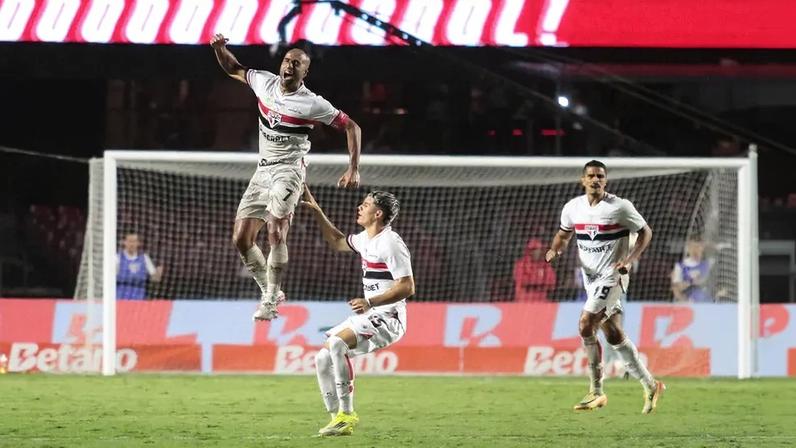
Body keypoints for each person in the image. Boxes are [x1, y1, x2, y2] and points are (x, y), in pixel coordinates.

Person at [211, 34, 361, 321]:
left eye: (297, 63)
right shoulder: (264, 82)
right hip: (262, 170)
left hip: (289, 171)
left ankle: (269, 301)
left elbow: (352, 126)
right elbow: (234, 68)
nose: (289, 66)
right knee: (241, 239)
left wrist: (353, 167)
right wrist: (220, 49)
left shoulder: (313, 104)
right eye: (287, 60)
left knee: (276, 230)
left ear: (306, 71)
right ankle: (271, 289)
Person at [544, 160, 664, 414]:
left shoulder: (620, 207)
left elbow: (646, 232)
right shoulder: (573, 208)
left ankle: (596, 391)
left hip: (613, 276)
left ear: (605, 181)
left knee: (586, 323)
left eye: (600, 176)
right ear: (583, 180)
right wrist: (555, 249)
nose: (595, 179)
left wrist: (629, 261)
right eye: (591, 175)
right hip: (590, 279)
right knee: (613, 334)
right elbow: (563, 235)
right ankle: (651, 384)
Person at [301, 185, 414, 436]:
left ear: (378, 214)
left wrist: (371, 301)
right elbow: (338, 242)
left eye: (365, 204)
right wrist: (317, 210)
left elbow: (407, 287)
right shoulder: (365, 239)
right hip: (372, 315)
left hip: (389, 318)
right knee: (322, 357)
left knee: (338, 347)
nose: (359, 207)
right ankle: (336, 419)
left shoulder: (391, 243)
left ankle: (347, 415)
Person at [116, 233, 163, 300]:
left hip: (139, 296)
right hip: (121, 296)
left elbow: (155, 279)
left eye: (134, 241)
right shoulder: (117, 258)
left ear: (138, 243)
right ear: (124, 242)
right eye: (129, 241)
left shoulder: (144, 258)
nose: (131, 244)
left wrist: (158, 272)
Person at [513, 238, 556, 302]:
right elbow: (521, 280)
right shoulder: (521, 264)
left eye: (538, 249)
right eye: (534, 250)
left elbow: (552, 282)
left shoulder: (545, 265)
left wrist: (536, 281)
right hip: (524, 300)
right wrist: (539, 281)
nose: (537, 252)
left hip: (541, 300)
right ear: (529, 251)